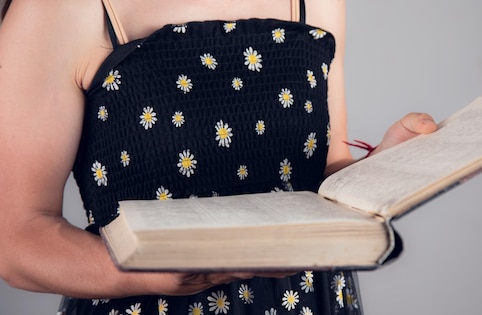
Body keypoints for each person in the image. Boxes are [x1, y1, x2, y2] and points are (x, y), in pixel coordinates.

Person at [0, 0, 437, 314]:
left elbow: (322, 172)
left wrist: (388, 167)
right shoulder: (54, 9)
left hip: (307, 301)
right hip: (150, 307)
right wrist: (146, 277)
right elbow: (17, 240)